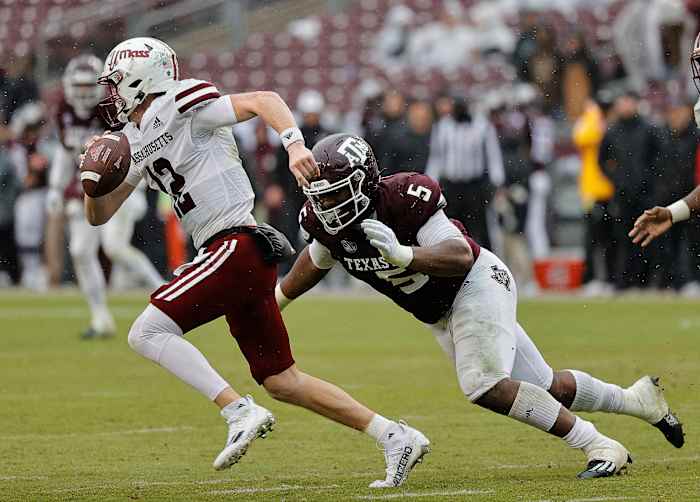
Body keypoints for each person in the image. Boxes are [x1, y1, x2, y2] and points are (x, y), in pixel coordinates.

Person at [84, 37, 429, 487]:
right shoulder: (132, 140)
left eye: (116, 83)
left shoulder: (180, 100)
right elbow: (100, 215)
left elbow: (264, 100)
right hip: (236, 255)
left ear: (139, 78)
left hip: (235, 243)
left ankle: (236, 408)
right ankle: (394, 436)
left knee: (147, 331)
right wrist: (90, 179)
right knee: (282, 380)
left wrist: (294, 144)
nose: (110, 94)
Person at [277, 133, 684, 480]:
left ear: (365, 182)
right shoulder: (324, 225)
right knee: (547, 387)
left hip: (474, 284)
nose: (328, 205)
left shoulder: (404, 197)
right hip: (441, 312)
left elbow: (458, 255)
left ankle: (598, 445)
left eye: (336, 193)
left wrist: (406, 255)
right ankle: (637, 401)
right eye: (320, 196)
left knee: (483, 383)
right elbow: (314, 261)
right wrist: (274, 303)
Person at [47, 54, 164, 339]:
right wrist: (55, 186)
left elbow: (137, 143)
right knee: (80, 251)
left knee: (113, 248)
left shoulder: (113, 107)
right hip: (87, 187)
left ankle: (165, 292)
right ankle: (101, 319)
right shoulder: (63, 109)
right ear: (68, 85)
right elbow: (65, 151)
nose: (85, 93)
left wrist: (134, 184)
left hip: (119, 183)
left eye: (90, 86)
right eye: (79, 86)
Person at [600, 90, 661, 289]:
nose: (623, 106)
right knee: (623, 238)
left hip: (646, 194)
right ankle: (623, 281)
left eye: (627, 101)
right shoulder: (612, 131)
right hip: (622, 194)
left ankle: (647, 280)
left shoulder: (649, 129)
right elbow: (601, 161)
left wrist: (649, 180)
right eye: (621, 102)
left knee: (647, 237)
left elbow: (659, 158)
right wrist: (616, 180)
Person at [426, 95, 504, 250]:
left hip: (474, 186)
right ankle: (454, 264)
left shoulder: (482, 126)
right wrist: (430, 182)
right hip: (451, 186)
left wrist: (497, 182)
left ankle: (487, 264)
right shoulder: (443, 126)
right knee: (452, 228)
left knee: (481, 228)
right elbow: (436, 157)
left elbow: (493, 155)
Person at [573, 92, 616, 295]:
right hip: (592, 189)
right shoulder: (591, 121)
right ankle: (590, 278)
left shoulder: (609, 123)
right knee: (592, 237)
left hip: (609, 188)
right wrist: (593, 115)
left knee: (609, 238)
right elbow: (581, 137)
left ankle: (608, 278)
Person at [8, 102, 50, 290]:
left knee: (41, 235)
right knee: (24, 235)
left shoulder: (45, 145)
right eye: (31, 128)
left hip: (44, 193)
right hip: (26, 195)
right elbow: (24, 179)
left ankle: (41, 271)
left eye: (36, 128)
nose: (34, 133)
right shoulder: (18, 149)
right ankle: (30, 271)